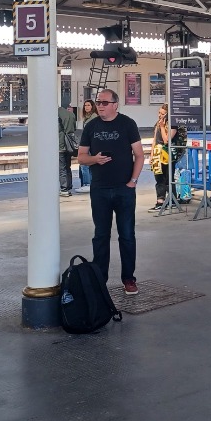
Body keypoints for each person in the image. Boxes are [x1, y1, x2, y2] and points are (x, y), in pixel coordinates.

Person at [77, 89, 145, 295]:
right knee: (100, 235)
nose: (100, 106)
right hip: (99, 189)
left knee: (126, 235)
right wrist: (94, 159)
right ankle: (100, 278)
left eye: (105, 102)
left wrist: (132, 182)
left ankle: (128, 278)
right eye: (98, 102)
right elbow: (81, 157)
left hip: (124, 189)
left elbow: (139, 155)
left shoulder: (128, 124)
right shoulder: (91, 126)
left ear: (116, 104)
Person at [150, 104, 170, 210]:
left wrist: (162, 126)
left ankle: (161, 201)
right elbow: (154, 139)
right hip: (157, 153)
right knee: (158, 177)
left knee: (163, 178)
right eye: (159, 113)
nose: (160, 115)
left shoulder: (168, 125)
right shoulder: (157, 124)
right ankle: (162, 199)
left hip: (164, 153)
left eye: (162, 114)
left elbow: (166, 140)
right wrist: (151, 155)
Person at [77, 100, 97, 190]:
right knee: (87, 164)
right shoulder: (87, 117)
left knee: (84, 164)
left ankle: (87, 184)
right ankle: (88, 183)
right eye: (85, 105)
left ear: (92, 106)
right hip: (87, 143)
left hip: (90, 144)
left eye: (88, 105)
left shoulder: (93, 117)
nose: (86, 107)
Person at [58, 104, 76, 197]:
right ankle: (69, 188)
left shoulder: (55, 114)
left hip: (60, 144)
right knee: (68, 167)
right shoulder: (71, 115)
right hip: (69, 144)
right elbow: (74, 129)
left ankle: (63, 188)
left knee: (62, 168)